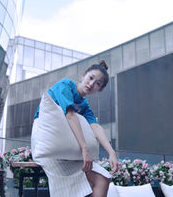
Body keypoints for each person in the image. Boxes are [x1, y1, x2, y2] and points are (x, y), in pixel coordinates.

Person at [31, 60, 118, 197]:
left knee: (103, 179)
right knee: (71, 187)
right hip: (46, 144)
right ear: (83, 75)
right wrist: (85, 149)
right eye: (91, 78)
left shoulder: (84, 104)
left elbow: (95, 126)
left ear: (100, 90)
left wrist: (111, 152)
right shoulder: (65, 85)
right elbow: (70, 115)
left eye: (98, 84)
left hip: (68, 150)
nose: (91, 84)